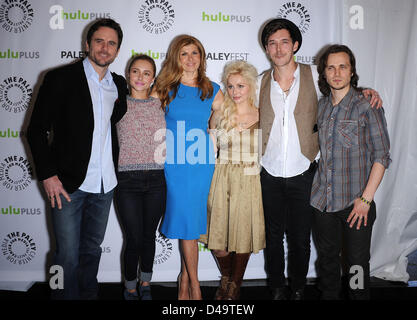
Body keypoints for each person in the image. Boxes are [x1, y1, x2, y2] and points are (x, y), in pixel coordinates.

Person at [257, 18, 383, 300]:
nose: (279, 49)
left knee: (346, 259)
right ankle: (279, 289)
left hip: (312, 179)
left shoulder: (315, 75)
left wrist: (367, 92)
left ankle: (303, 290)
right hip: (289, 182)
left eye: (285, 42)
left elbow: (380, 154)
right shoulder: (260, 82)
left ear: (296, 45)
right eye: (272, 43)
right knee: (285, 243)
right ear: (266, 48)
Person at [26, 18, 127, 300]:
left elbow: (113, 125)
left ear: (117, 50)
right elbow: (36, 130)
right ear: (87, 44)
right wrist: (47, 175)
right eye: (99, 41)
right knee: (65, 256)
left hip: (105, 184)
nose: (105, 48)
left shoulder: (118, 84)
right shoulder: (59, 78)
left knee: (92, 251)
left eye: (111, 44)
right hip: (67, 185)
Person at [311, 44, 391, 300]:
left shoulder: (367, 105)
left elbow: (381, 156)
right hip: (322, 203)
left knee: (357, 270)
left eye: (342, 66)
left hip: (357, 206)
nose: (336, 73)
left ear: (351, 70)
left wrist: (365, 200)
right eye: (331, 67)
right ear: (324, 73)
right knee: (327, 268)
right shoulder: (321, 107)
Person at [152, 34, 224, 300]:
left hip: (202, 162)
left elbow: (233, 112)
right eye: (184, 53)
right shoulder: (164, 87)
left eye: (195, 53)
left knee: (190, 224)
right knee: (188, 224)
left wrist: (214, 128)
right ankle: (195, 285)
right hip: (175, 165)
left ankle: (184, 280)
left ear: (202, 57)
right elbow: (142, 111)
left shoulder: (211, 89)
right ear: (175, 57)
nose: (191, 59)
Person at [200, 60, 265, 300]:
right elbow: (210, 149)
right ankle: (226, 277)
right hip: (221, 176)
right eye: (230, 86)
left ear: (251, 86)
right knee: (218, 242)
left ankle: (234, 285)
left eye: (241, 86)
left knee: (242, 237)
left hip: (250, 180)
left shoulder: (263, 114)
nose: (235, 92)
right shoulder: (219, 112)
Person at [113, 54, 166, 300]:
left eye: (146, 73)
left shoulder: (161, 104)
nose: (141, 77)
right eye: (135, 71)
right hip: (127, 181)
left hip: (157, 180)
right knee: (133, 238)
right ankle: (130, 286)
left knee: (148, 236)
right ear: (128, 75)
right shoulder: (117, 103)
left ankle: (146, 281)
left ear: (153, 78)